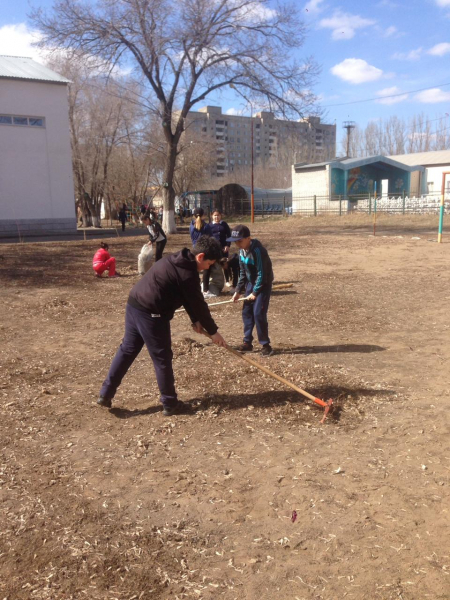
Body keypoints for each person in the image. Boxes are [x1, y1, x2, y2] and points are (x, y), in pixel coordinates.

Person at [97, 236, 226, 415]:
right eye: (210, 263)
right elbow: (198, 304)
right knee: (162, 357)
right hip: (151, 313)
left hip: (134, 303)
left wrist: (194, 320)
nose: (209, 267)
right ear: (200, 256)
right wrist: (213, 332)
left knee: (127, 350)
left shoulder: (178, 259)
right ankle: (170, 403)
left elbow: (187, 296)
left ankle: (105, 393)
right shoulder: (188, 274)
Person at [227, 225, 274, 357]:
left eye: (240, 240)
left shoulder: (258, 251)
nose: (237, 244)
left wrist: (255, 292)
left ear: (248, 238)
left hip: (263, 284)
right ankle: (247, 342)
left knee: (258, 313)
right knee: (247, 312)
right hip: (250, 283)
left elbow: (262, 274)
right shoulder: (242, 251)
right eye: (235, 241)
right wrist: (238, 291)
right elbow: (242, 273)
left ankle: (266, 345)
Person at [203, 208, 232, 296]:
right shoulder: (209, 226)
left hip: (223, 248)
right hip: (214, 250)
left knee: (225, 264)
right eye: (215, 215)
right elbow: (207, 237)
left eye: (218, 215)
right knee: (214, 265)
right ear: (212, 216)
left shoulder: (224, 224)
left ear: (220, 216)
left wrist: (227, 245)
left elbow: (229, 235)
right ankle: (210, 283)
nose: (217, 217)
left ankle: (227, 280)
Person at [189, 207, 213, 298]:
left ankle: (195, 288)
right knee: (207, 269)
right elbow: (210, 238)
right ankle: (206, 290)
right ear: (203, 215)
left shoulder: (191, 225)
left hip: (195, 249)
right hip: (204, 249)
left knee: (196, 269)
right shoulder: (206, 226)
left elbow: (192, 237)